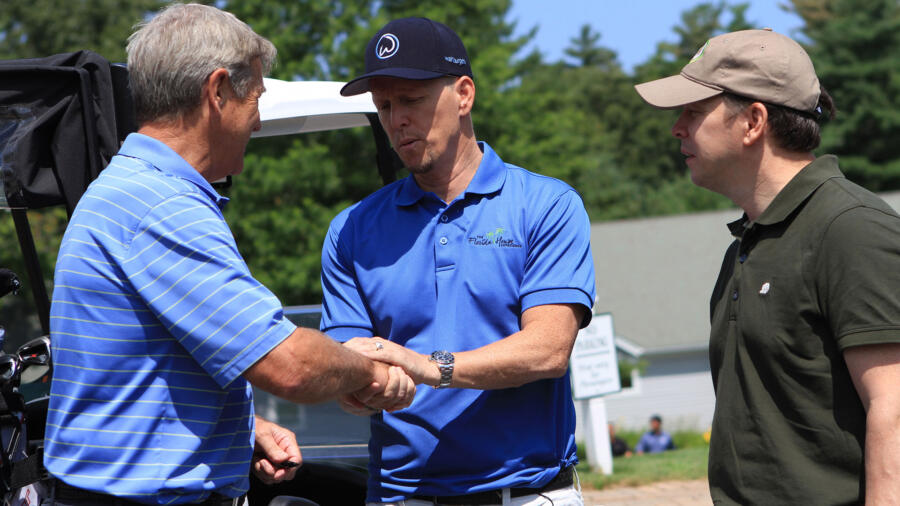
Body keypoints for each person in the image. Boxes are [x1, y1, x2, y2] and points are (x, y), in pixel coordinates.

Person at [44, 4, 414, 505]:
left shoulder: (128, 190)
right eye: (255, 98)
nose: (257, 122)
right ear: (217, 92)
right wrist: (370, 369)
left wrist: (244, 427)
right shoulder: (164, 206)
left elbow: (147, 371)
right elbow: (290, 365)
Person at [320, 16, 596, 506]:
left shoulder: (546, 205)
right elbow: (349, 360)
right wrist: (356, 380)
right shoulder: (352, 229)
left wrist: (429, 367)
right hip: (401, 495)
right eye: (384, 106)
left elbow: (549, 349)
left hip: (526, 494)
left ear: (464, 94)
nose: (396, 120)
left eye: (411, 100)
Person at [635, 29, 900, 505]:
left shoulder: (850, 228)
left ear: (753, 121)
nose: (677, 128)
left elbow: (894, 407)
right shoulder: (748, 243)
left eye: (694, 111)